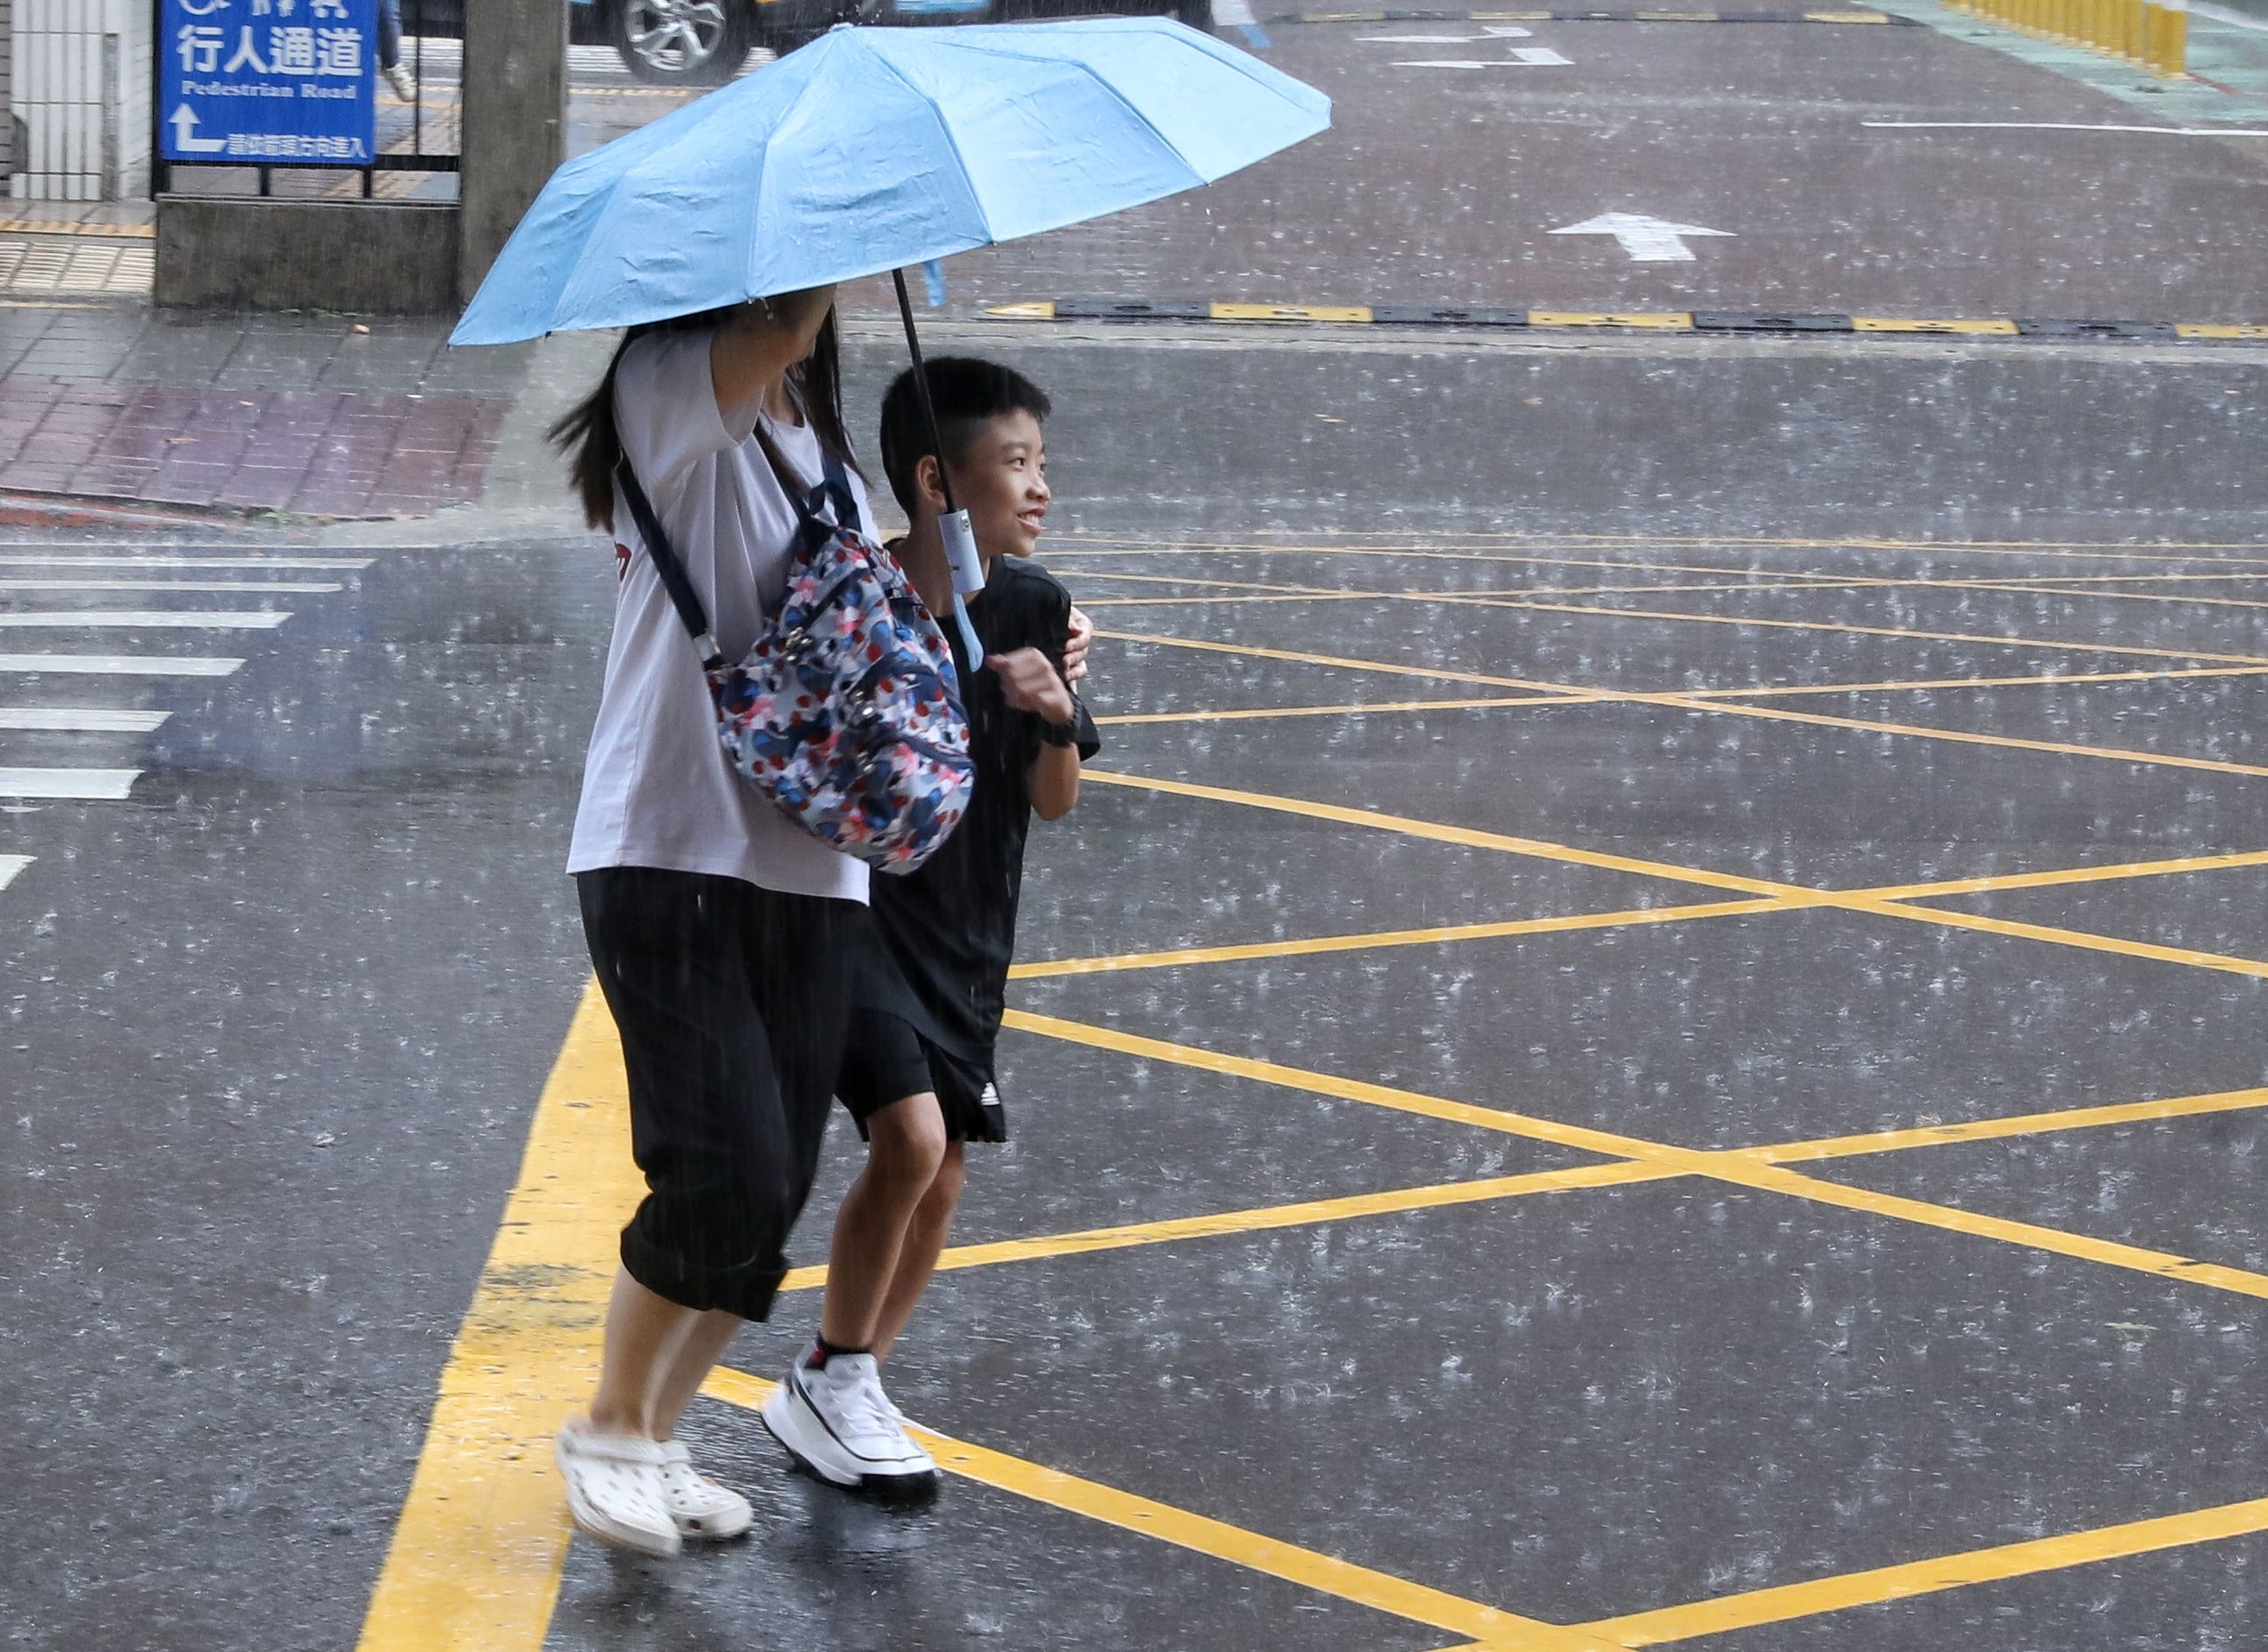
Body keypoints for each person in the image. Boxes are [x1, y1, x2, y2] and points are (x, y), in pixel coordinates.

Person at [543, 285, 881, 1557]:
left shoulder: (815, 436)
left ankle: (662, 1434)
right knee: (720, 1160)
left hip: (811, 860)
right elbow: (780, 328)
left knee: (776, 1185)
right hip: (667, 837)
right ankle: (611, 1426)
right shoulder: (669, 388)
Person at [761, 357, 1099, 1494]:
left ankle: (841, 1378)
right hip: (857, 908)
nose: (1040, 487)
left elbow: (1052, 804)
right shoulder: (856, 594)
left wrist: (1057, 713)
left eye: (1040, 463)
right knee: (908, 1139)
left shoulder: (1037, 608)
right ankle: (835, 1372)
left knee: (943, 1171)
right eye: (1015, 463)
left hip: (970, 927)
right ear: (934, 481)